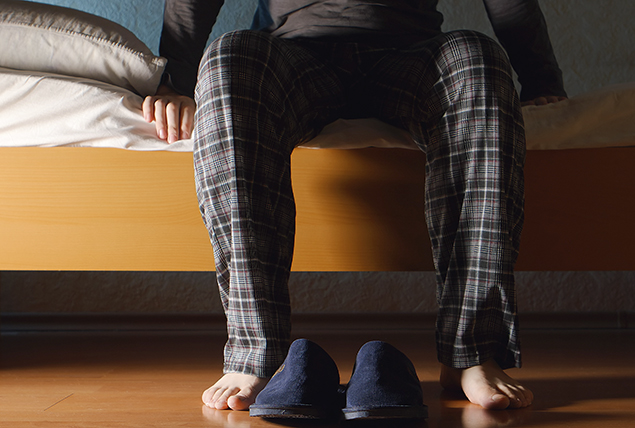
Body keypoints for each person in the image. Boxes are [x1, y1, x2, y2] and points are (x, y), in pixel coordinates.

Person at [143, 0, 567, 412]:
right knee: (228, 57)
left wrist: (542, 82)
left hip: (413, 55)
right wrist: (175, 82)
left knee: (478, 58)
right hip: (293, 54)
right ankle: (255, 352)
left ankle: (471, 351)